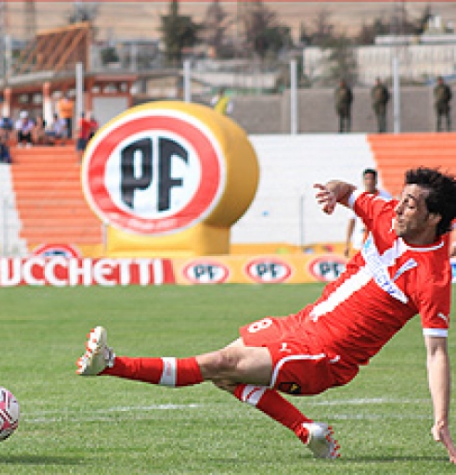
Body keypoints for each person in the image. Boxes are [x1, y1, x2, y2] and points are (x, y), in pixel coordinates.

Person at [77, 167, 456, 463]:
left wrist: (441, 418)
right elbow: (347, 191)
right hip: (302, 323)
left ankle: (109, 364)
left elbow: (436, 352)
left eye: (410, 204)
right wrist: (331, 192)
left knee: (219, 363)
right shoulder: (386, 213)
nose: (399, 207)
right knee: (224, 377)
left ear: (434, 218)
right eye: (402, 198)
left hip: (326, 356)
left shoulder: (433, 277)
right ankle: (307, 430)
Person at [345, 168, 391, 257]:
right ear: (363, 181)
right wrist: (347, 243)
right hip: (360, 241)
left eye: (371, 179)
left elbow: (389, 219)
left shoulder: (385, 196)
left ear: (376, 180)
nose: (369, 181)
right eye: (367, 179)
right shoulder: (356, 197)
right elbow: (351, 220)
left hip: (379, 242)